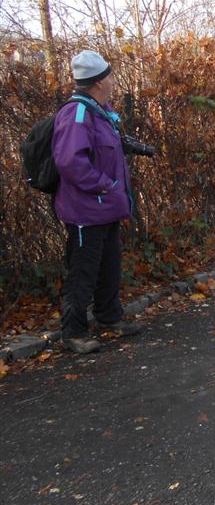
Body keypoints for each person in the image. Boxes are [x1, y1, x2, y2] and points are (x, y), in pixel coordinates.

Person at [52, 50, 143, 353]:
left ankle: (109, 317)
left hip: (107, 208)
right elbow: (70, 162)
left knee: (109, 266)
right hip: (86, 211)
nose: (114, 81)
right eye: (110, 76)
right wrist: (106, 186)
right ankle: (73, 332)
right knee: (83, 272)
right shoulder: (78, 114)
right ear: (99, 81)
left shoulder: (100, 111)